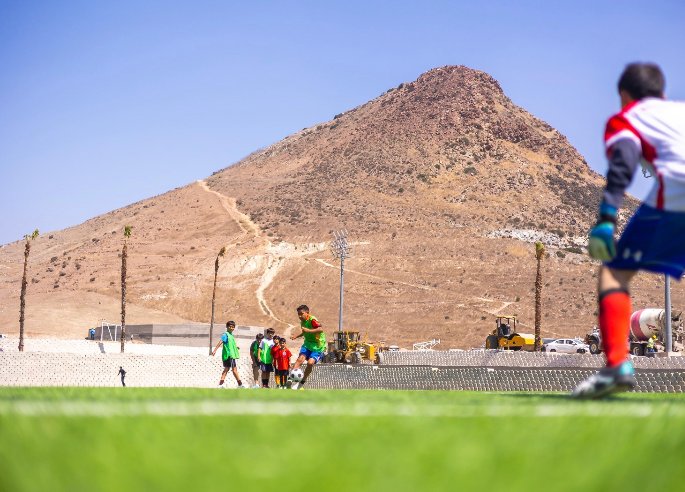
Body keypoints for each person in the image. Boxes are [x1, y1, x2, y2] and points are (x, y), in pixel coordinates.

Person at [573, 62, 685, 398]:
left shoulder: (628, 118)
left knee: (614, 274)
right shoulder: (679, 112)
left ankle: (616, 367)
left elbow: (623, 161)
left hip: (677, 192)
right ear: (662, 93)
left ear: (624, 95)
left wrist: (607, 218)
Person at [289, 305, 326, 390]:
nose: (299, 316)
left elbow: (320, 329)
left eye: (301, 314)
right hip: (307, 344)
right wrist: (296, 336)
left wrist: (308, 330)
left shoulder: (312, 320)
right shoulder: (302, 321)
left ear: (307, 313)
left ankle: (301, 383)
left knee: (310, 363)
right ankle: (290, 380)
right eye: (298, 314)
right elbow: (305, 332)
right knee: (300, 360)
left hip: (318, 346)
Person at [211, 320, 244, 388]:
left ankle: (220, 384)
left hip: (230, 355)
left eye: (233, 327)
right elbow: (221, 341)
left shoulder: (231, 335)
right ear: (227, 327)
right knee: (234, 370)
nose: (231, 328)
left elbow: (230, 344)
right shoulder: (226, 334)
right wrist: (215, 350)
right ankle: (240, 384)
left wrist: (236, 347)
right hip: (230, 355)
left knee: (226, 369)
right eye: (230, 326)